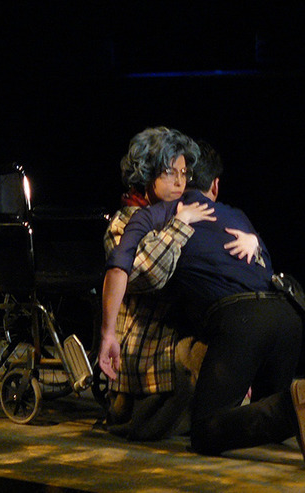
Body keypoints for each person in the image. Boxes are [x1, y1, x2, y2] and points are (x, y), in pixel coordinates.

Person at [101, 141, 305, 469]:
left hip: (240, 321)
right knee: (264, 415)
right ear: (214, 185)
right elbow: (265, 266)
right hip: (286, 317)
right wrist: (254, 241)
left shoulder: (163, 215)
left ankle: (295, 408)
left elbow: (134, 269)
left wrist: (107, 331)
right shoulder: (236, 215)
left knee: (206, 432)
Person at [101, 127, 258, 439]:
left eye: (184, 173)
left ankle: (290, 408)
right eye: (169, 172)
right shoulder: (125, 222)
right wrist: (179, 225)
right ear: (146, 173)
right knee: (210, 421)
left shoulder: (184, 213)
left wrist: (252, 242)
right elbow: (148, 275)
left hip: (178, 349)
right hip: (148, 361)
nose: (179, 182)